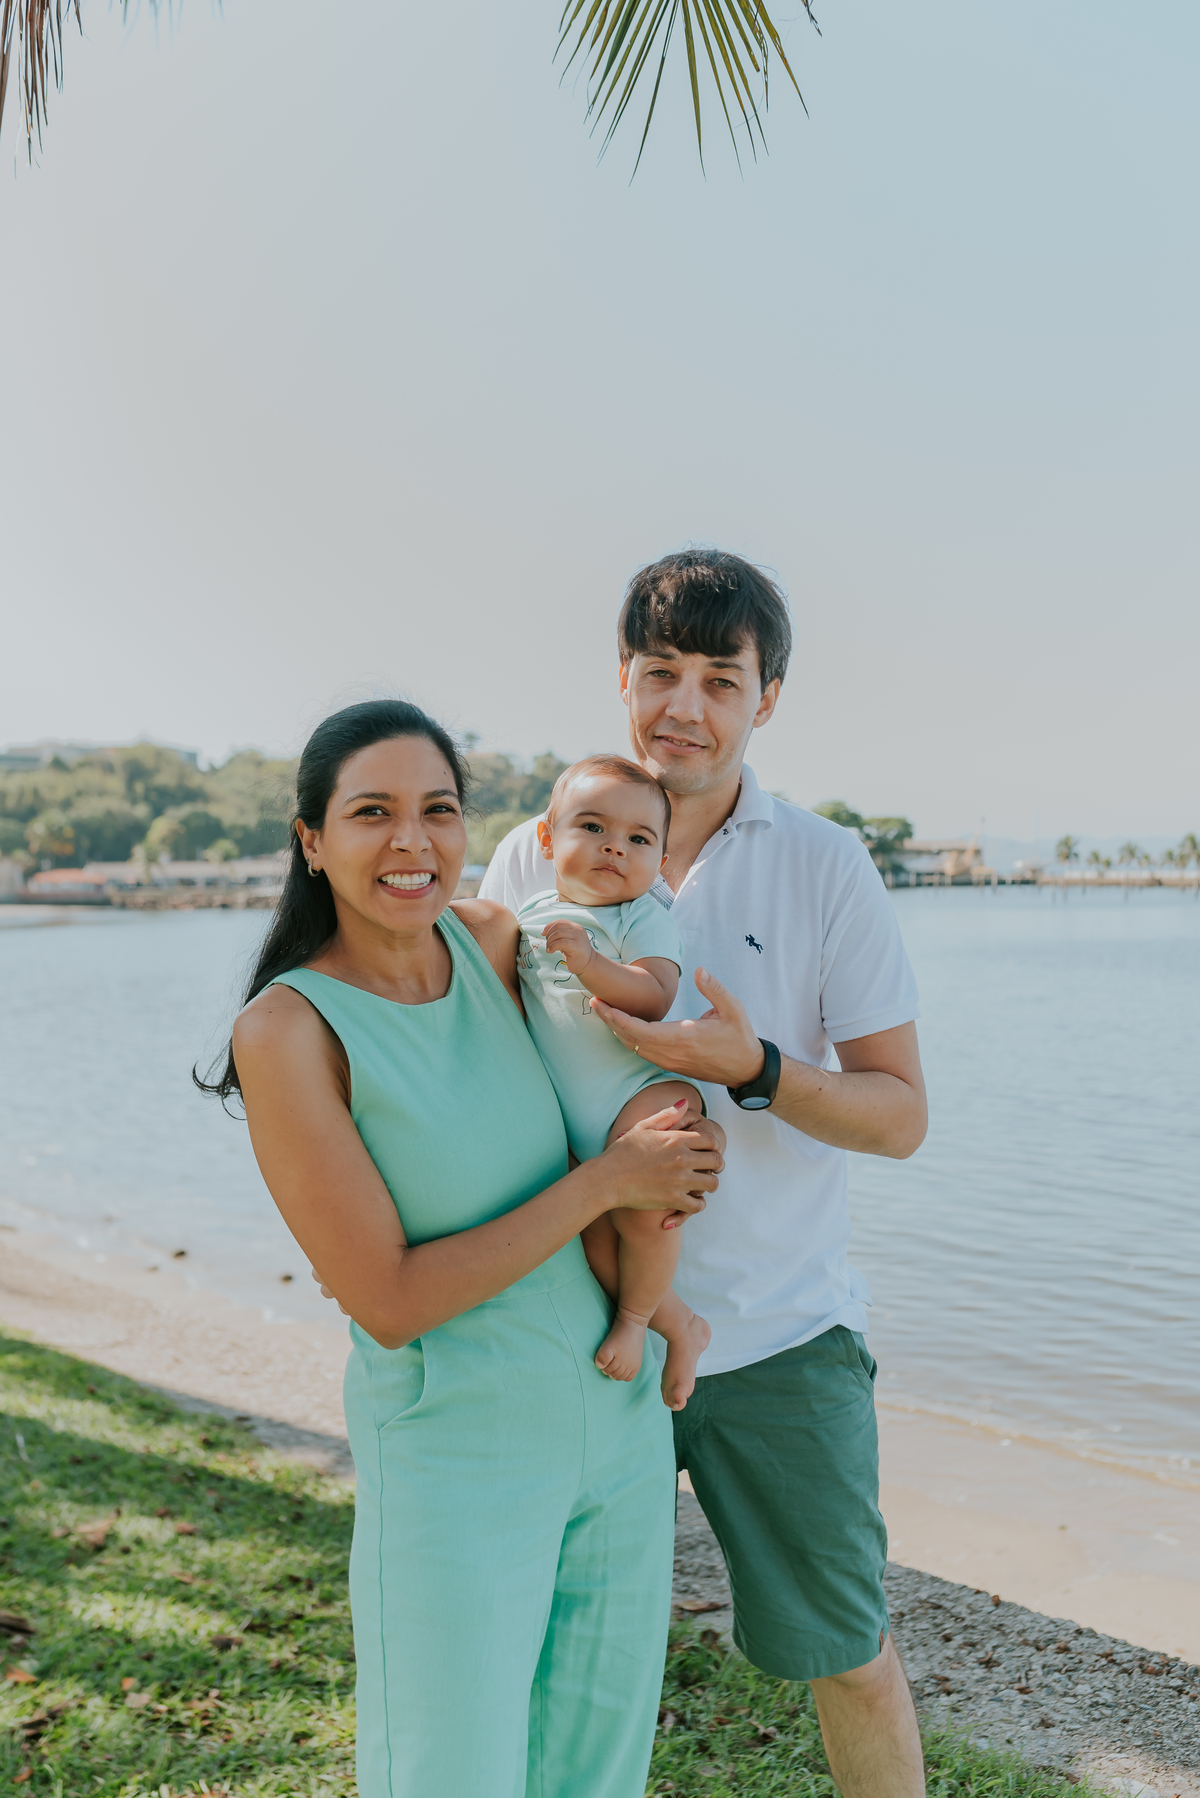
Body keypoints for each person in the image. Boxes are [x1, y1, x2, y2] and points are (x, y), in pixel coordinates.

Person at [197, 699, 725, 1798]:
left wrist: (677, 1130)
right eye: (372, 812)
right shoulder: (289, 1032)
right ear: (310, 838)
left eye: (439, 809)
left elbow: (616, 1043)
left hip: (616, 1430)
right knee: (452, 1776)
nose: (413, 841)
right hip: (457, 1458)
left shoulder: (494, 943)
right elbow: (386, 1296)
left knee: (596, 1773)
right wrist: (609, 1184)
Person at [482, 550, 930, 1798]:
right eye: (660, 672)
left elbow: (900, 1117)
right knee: (540, 1652)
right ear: (621, 679)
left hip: (782, 1339)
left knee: (845, 1653)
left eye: (719, 680)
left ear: (765, 699)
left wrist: (758, 1067)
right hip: (572, 1321)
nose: (684, 706)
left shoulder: (828, 865)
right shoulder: (531, 854)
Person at [516, 752, 711, 1409]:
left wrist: (592, 962)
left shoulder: (641, 917)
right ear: (548, 837)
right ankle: (679, 1321)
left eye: (638, 839)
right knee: (595, 1231)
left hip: (640, 1094)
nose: (614, 849)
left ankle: (635, 1323)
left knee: (647, 1217)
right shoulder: (530, 911)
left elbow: (654, 995)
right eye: (592, 828)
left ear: (660, 857)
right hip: (574, 1119)